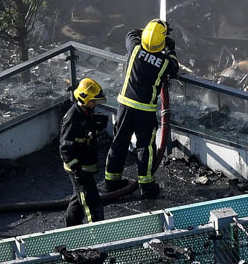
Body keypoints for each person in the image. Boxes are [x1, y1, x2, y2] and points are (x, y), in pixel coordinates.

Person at [104, 19, 179, 199]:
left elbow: (130, 33)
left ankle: (111, 181)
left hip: (125, 105)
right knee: (145, 146)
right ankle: (146, 186)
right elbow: (174, 66)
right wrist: (170, 47)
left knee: (120, 141)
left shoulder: (135, 48)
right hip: (144, 110)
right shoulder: (163, 62)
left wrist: (148, 29)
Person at [60, 77, 107, 226]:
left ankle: (71, 226)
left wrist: (95, 124)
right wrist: (77, 170)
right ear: (84, 98)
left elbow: (84, 132)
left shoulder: (84, 113)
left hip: (85, 165)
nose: (95, 105)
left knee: (78, 198)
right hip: (79, 169)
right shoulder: (72, 119)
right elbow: (65, 148)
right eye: (93, 101)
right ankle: (96, 233)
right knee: (91, 202)